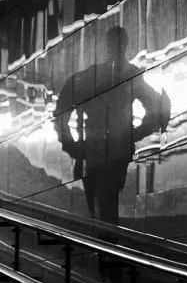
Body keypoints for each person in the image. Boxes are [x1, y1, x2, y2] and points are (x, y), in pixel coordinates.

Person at [53, 25, 170, 229]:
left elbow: (62, 110)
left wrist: (72, 146)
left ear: (107, 46)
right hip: (116, 150)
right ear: (125, 45)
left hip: (93, 151)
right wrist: (135, 134)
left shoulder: (91, 76)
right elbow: (157, 107)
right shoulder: (131, 76)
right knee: (107, 203)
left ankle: (106, 243)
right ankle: (108, 242)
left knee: (99, 203)